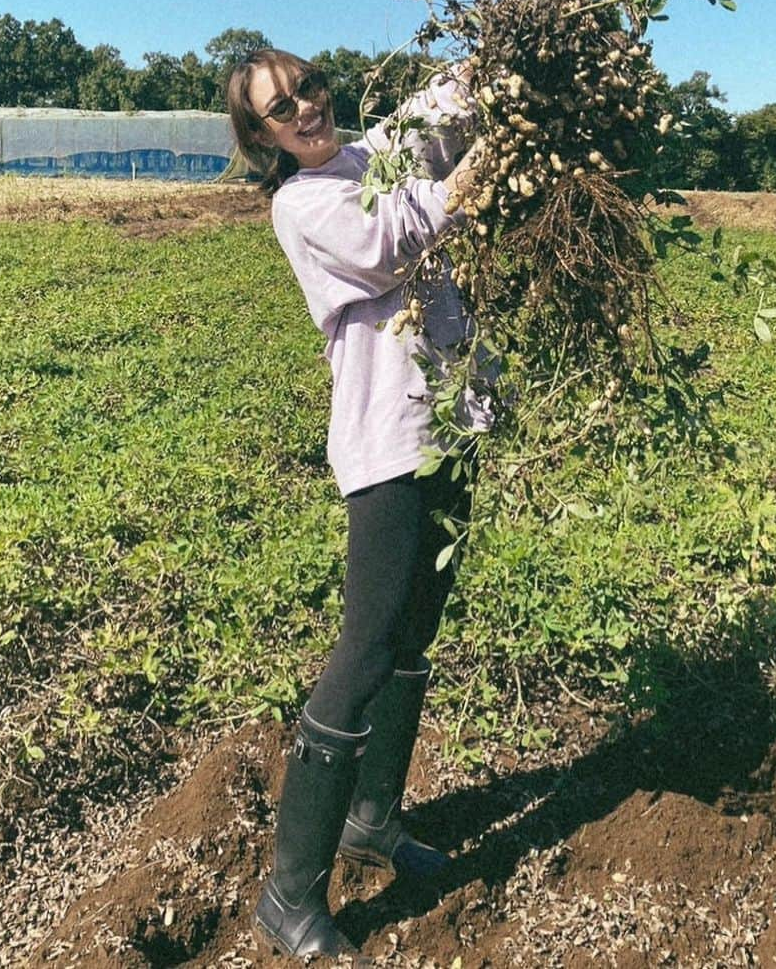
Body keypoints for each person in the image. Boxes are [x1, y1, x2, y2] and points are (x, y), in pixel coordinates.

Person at [225, 49, 488, 960]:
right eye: (280, 109)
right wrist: (471, 182)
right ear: (260, 136)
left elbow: (428, 121)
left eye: (309, 90)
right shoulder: (303, 204)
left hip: (450, 423)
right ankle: (289, 895)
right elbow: (392, 242)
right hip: (387, 443)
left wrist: (491, 65)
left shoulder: (369, 154)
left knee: (415, 630)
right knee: (367, 645)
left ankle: (373, 821)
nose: (305, 109)